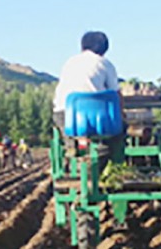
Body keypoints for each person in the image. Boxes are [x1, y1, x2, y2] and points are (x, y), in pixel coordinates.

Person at [52, 31, 125, 170]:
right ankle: (110, 161)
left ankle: (71, 145)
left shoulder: (70, 62)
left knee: (67, 127)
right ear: (104, 49)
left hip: (66, 115)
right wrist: (122, 114)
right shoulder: (105, 64)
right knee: (118, 133)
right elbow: (116, 94)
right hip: (94, 117)